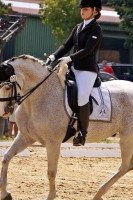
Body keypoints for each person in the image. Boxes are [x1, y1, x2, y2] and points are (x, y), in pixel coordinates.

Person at [45, 0, 103, 146]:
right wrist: (54, 56)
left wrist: (70, 58)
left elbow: (88, 50)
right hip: (73, 68)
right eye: (81, 9)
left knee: (82, 97)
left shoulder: (96, 29)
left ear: (95, 11)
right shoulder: (78, 27)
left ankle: (82, 133)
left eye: (86, 9)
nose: (82, 11)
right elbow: (66, 45)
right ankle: (66, 125)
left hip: (87, 70)